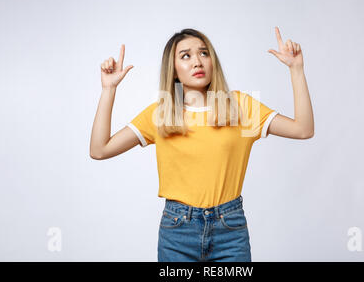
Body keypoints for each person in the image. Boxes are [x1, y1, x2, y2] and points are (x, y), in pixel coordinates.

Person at [89, 27, 314, 262]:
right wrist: (108, 89)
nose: (197, 61)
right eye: (185, 56)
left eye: (204, 53)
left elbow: (303, 129)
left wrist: (296, 70)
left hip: (230, 230)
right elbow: (99, 150)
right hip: (177, 231)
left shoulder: (240, 107)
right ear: (173, 70)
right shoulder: (162, 114)